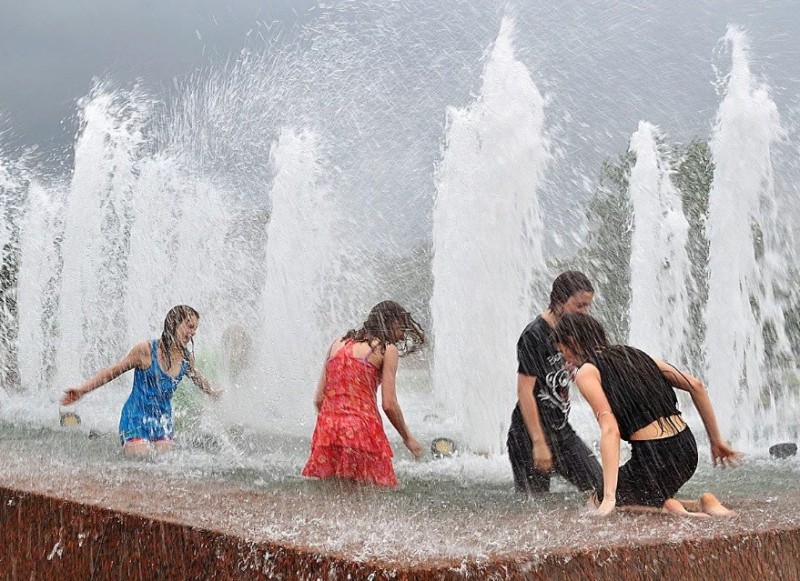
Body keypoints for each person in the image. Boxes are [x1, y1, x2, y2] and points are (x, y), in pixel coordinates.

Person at [552, 312, 740, 517]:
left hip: (655, 457)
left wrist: (608, 497)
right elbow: (696, 385)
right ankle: (702, 503)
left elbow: (610, 429)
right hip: (687, 450)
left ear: (571, 342)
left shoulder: (587, 372)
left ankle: (681, 513)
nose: (566, 361)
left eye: (564, 353)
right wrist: (716, 441)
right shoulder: (635, 354)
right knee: (647, 495)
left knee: (596, 502)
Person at [60, 305, 220, 456]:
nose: (193, 332)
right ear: (174, 323)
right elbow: (112, 372)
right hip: (135, 418)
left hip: (162, 421)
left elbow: (198, 378)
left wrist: (213, 393)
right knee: (142, 459)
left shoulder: (186, 359)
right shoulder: (146, 351)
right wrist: (82, 390)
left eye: (195, 328)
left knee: (165, 464)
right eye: (189, 326)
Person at [302, 300, 425, 487]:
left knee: (332, 493)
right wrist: (407, 438)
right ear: (390, 324)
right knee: (372, 493)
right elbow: (389, 404)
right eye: (400, 327)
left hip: (327, 430)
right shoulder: (386, 349)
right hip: (363, 430)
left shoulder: (337, 344)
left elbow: (319, 398)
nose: (401, 336)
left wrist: (337, 423)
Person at [507, 271, 602, 494]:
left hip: (562, 432)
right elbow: (525, 392)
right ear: (559, 300)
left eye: (588, 306)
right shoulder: (535, 335)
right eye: (579, 306)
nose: (585, 312)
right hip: (528, 436)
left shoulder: (574, 331)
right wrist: (539, 443)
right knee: (535, 508)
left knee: (602, 488)